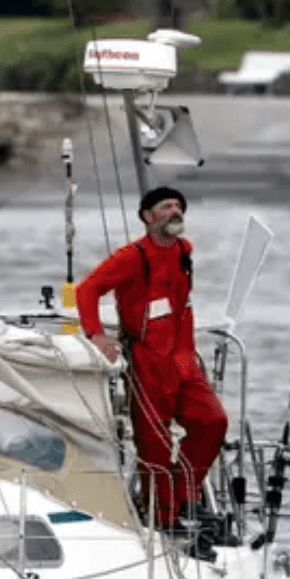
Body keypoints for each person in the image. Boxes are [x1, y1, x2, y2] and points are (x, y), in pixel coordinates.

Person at [75, 186, 227, 545]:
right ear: (148, 216)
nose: (175, 211)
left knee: (212, 421)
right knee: (154, 442)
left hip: (184, 357)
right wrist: (97, 335)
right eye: (166, 206)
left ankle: (186, 497)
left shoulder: (184, 251)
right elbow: (88, 290)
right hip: (147, 360)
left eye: (179, 206)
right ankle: (164, 516)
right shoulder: (131, 256)